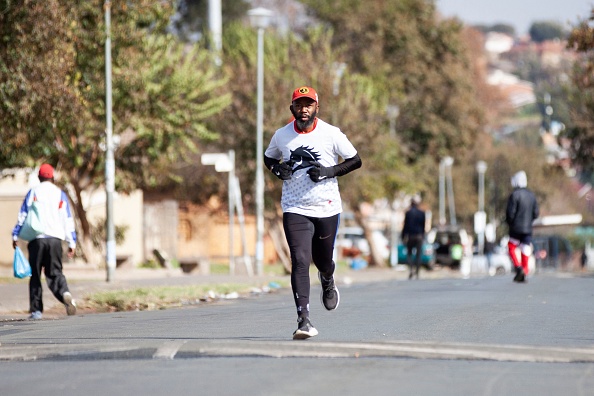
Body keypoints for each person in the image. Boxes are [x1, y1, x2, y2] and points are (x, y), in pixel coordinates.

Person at [264, 86, 362, 339]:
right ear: (292, 108)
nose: (303, 109)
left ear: (317, 107)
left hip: (327, 207)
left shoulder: (331, 134)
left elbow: (355, 160)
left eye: (308, 104)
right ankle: (303, 320)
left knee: (323, 261)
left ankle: (327, 278)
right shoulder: (282, 135)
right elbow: (269, 158)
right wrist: (278, 171)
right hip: (294, 207)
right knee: (299, 260)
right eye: (299, 104)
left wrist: (328, 172)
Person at [12, 164, 78, 319]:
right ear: (52, 177)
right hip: (55, 240)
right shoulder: (60, 194)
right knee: (55, 273)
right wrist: (71, 242)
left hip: (37, 239)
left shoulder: (33, 192)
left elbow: (23, 214)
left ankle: (36, 311)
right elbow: (67, 219)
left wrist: (15, 235)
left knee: (35, 275)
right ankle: (65, 293)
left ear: (39, 177)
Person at [505, 170, 539, 283]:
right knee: (526, 247)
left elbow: (510, 213)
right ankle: (525, 270)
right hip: (528, 228)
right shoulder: (531, 195)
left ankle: (518, 267)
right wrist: (529, 221)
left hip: (515, 228)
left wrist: (510, 223)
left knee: (511, 246)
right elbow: (536, 213)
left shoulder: (515, 195)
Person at [401, 195, 426, 279]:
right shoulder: (422, 213)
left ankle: (411, 268)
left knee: (409, 254)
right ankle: (417, 272)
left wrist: (403, 236)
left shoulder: (408, 213)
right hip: (419, 236)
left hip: (411, 236)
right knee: (418, 255)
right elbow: (423, 226)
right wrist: (423, 236)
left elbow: (405, 226)